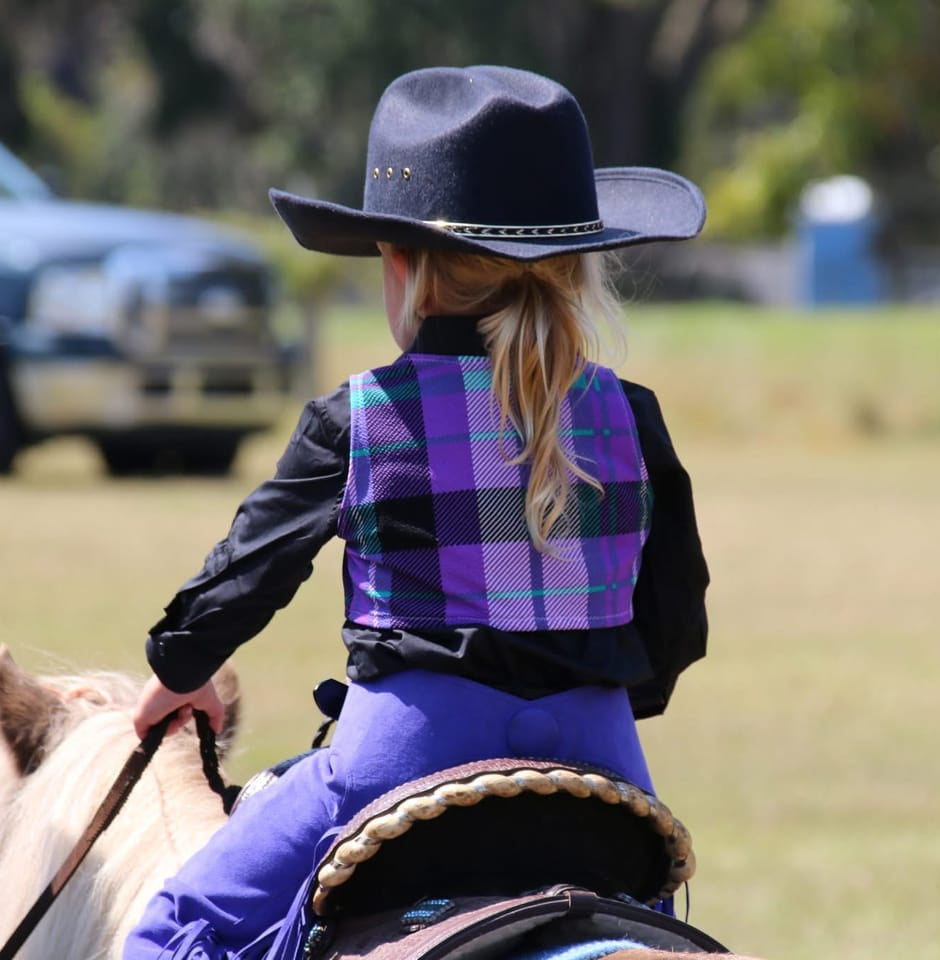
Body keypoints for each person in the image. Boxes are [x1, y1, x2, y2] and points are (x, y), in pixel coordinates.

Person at [123, 65, 710, 960]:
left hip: (402, 760)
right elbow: (676, 616)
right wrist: (592, 691)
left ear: (400, 267)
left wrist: (179, 667)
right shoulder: (630, 415)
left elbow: (249, 571)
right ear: (573, 265)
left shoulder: (358, 418)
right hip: (602, 756)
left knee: (177, 930)